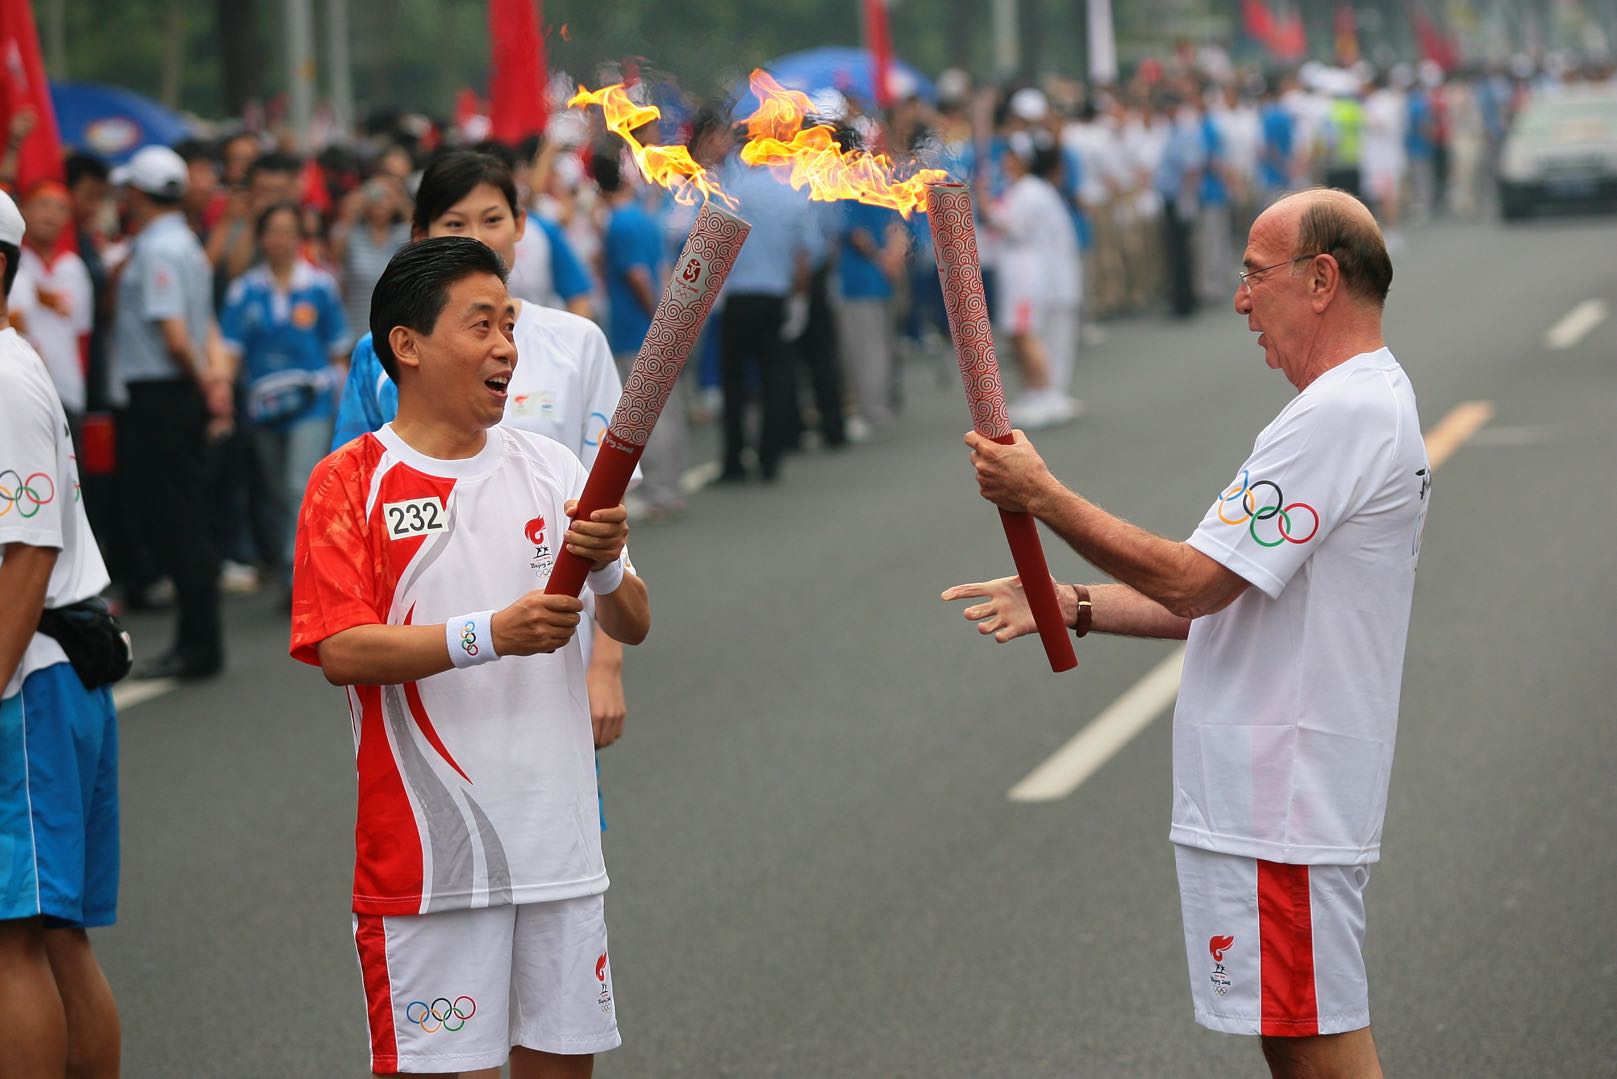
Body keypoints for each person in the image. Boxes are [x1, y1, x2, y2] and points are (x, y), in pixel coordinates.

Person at [944, 188, 1423, 1079]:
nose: (1240, 298)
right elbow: (1229, 595)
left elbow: (1191, 579)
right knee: (1292, 1040)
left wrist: (1042, 497)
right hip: (1270, 798)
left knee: (1315, 1048)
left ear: (1321, 279)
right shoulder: (1346, 406)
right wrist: (1070, 600)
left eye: (1253, 274)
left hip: (1286, 799)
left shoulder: (1341, 413)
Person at [290, 236, 649, 1078]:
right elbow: (341, 648)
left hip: (557, 846)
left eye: (509, 324)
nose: (504, 347)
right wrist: (492, 632)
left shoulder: (553, 464)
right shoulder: (350, 484)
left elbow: (632, 620)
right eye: (479, 324)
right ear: (406, 346)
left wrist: (602, 564)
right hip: (428, 861)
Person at [332, 150, 633, 752]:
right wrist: (477, 634)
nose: (477, 239)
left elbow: (608, 528)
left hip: (552, 658)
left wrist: (605, 665)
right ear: (420, 236)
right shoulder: (380, 355)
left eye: (492, 219)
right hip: (426, 672)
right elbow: (349, 521)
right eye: (453, 225)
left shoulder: (576, 343)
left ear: (522, 224)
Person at [0, 188, 122, 1079]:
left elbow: (28, 553)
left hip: (27, 678)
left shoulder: (3, 377)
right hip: (35, 676)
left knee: (20, 941)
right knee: (48, 934)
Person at [110, 146, 231, 679]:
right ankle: (196, 641)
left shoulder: (159, 248)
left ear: (138, 194)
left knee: (177, 518)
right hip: (178, 391)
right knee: (188, 513)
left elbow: (175, 334)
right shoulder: (184, 241)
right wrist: (214, 380)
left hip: (163, 393)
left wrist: (204, 379)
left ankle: (198, 646)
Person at [219, 202, 350, 592]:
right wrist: (222, 392)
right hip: (262, 405)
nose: (279, 239)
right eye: (272, 231)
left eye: (287, 231)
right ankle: (289, 559)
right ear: (261, 238)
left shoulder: (320, 286)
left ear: (299, 237)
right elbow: (229, 349)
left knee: (299, 482)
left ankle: (303, 571)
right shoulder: (245, 289)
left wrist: (341, 402)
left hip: (311, 402)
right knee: (274, 488)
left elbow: (337, 347)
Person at [15, 181, 93, 433]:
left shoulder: (74, 267)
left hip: (66, 388)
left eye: (60, 208)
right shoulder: (12, 261)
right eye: (42, 205)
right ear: (23, 210)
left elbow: (82, 334)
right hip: (20, 386)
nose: (50, 214)